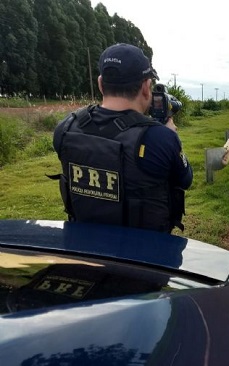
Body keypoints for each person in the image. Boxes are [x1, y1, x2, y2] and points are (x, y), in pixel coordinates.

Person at [52, 43, 193, 233]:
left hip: (83, 251)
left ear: (101, 84)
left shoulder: (66, 127)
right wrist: (171, 136)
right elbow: (185, 179)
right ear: (146, 88)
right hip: (144, 256)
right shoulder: (162, 138)